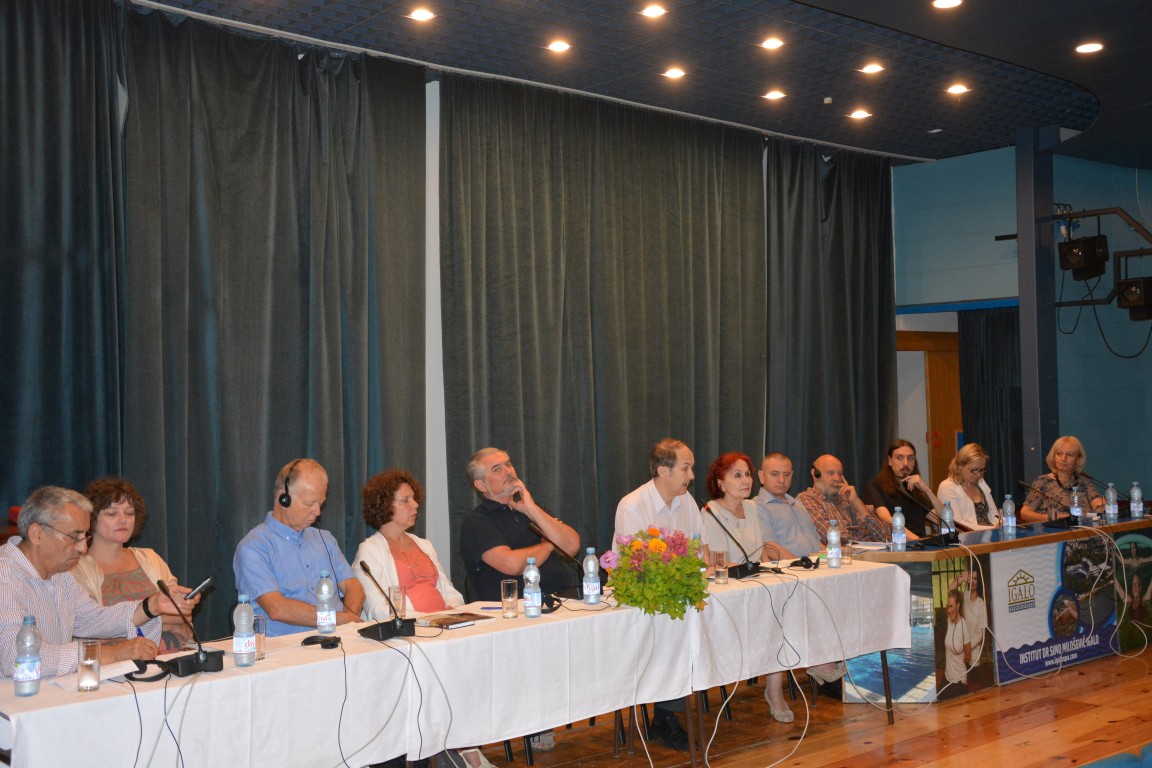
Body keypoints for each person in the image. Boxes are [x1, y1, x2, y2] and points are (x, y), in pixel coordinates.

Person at [0, 487, 198, 676]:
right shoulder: (5, 577)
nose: (83, 548)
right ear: (37, 534)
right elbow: (17, 656)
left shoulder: (59, 574)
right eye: (74, 537)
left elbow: (92, 619)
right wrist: (114, 653)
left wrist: (152, 605)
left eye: (84, 536)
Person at [459, 447, 580, 754]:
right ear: (481, 485)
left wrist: (532, 509)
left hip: (561, 600)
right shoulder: (477, 522)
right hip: (515, 614)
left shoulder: (529, 510)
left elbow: (571, 545)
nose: (509, 471)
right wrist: (548, 545)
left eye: (509, 464)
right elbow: (512, 564)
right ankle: (537, 718)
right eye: (497, 469)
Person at [613, 438, 707, 751]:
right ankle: (665, 717)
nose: (691, 475)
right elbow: (637, 564)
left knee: (698, 623)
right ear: (664, 471)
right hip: (642, 599)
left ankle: (671, 710)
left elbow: (700, 550)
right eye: (686, 468)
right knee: (675, 629)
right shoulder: (633, 505)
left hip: (676, 593)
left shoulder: (687, 502)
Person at [234, 459, 365, 637]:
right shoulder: (253, 547)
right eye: (310, 504)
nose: (317, 512)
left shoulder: (325, 539)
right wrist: (338, 620)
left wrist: (348, 622)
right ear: (284, 499)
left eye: (321, 503)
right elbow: (277, 608)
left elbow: (354, 587)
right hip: (285, 647)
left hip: (336, 640)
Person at [71, 478, 191, 652]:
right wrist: (162, 621)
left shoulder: (150, 558)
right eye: (112, 514)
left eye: (129, 513)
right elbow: (89, 630)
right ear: (91, 518)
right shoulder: (75, 569)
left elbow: (183, 614)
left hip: (172, 656)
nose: (123, 520)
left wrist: (125, 628)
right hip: (115, 663)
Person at [354, 469, 463, 619]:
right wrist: (425, 620)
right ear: (385, 505)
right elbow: (377, 608)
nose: (416, 504)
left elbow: (450, 592)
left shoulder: (425, 545)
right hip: (409, 629)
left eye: (414, 498)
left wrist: (454, 608)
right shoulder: (370, 550)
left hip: (443, 623)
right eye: (405, 500)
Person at [859, 440, 944, 538]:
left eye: (910, 458)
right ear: (890, 461)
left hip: (919, 544)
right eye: (899, 458)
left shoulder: (914, 488)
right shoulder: (874, 485)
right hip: (897, 544)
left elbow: (944, 520)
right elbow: (887, 519)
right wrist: (919, 541)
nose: (905, 463)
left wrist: (927, 490)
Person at [796, 455, 887, 543]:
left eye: (840, 474)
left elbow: (883, 537)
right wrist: (864, 532)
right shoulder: (807, 499)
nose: (837, 478)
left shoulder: (848, 499)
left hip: (869, 552)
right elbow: (833, 538)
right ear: (815, 474)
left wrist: (856, 502)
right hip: (843, 552)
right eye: (831, 473)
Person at [700, 452, 767, 566]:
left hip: (759, 573)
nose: (746, 480)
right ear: (721, 484)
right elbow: (720, 563)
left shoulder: (751, 507)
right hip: (732, 576)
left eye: (747, 474)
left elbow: (762, 554)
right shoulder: (712, 512)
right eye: (737, 475)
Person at [753, 452, 823, 562]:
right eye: (775, 474)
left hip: (817, 565)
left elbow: (817, 543)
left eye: (786, 474)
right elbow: (769, 549)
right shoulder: (757, 506)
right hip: (793, 569)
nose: (782, 480)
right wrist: (802, 565)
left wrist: (834, 557)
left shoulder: (798, 504)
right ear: (761, 476)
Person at [1020, 436, 1104, 523]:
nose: (1063, 459)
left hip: (1084, 528)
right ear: (1053, 457)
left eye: (1069, 455)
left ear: (1078, 459)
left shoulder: (1084, 481)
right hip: (1055, 530)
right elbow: (1025, 513)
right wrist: (1051, 519)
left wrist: (1100, 510)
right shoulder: (1043, 481)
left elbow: (1100, 506)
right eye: (1059, 454)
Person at [937, 444, 1001, 531]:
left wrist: (1000, 525)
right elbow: (957, 524)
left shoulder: (981, 482)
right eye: (974, 470)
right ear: (960, 466)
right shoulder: (947, 487)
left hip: (990, 534)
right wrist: (993, 529)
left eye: (982, 470)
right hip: (967, 537)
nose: (978, 475)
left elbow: (995, 516)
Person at [942, 589, 971, 688]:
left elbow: (968, 657)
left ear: (958, 606)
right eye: (948, 607)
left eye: (951, 606)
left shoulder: (963, 627)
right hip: (947, 677)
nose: (949, 610)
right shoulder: (949, 620)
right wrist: (961, 580)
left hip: (959, 681)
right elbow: (950, 589)